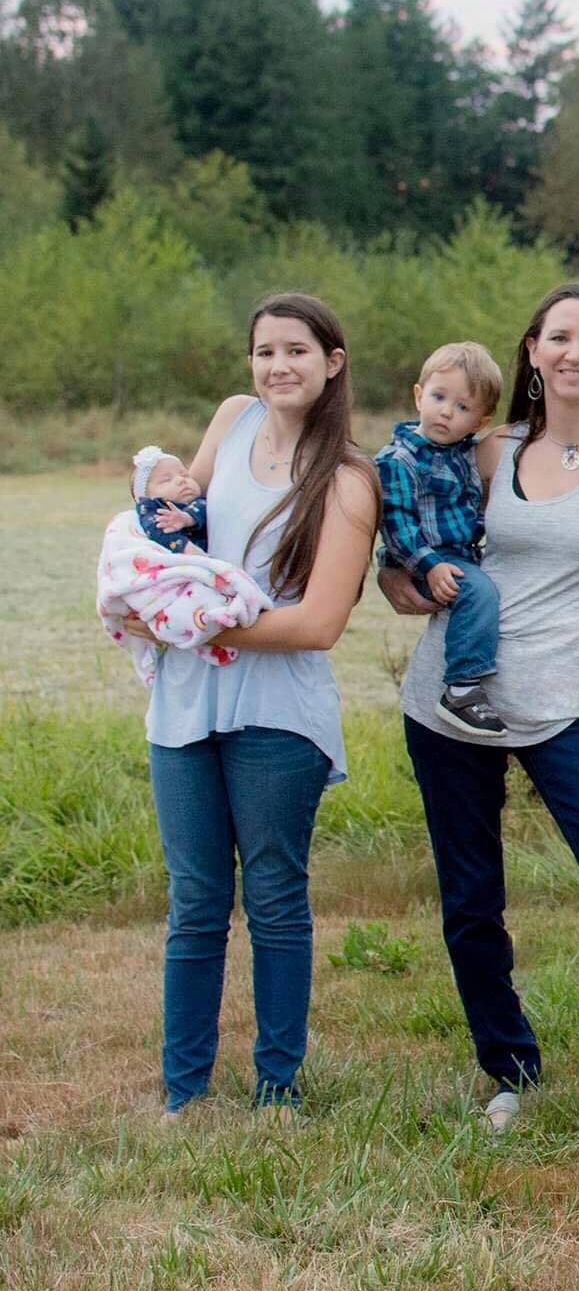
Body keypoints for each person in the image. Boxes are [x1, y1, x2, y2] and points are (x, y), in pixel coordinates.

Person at [381, 282, 579, 1147]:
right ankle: (509, 1070)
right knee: (471, 902)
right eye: (559, 337)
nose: (574, 352)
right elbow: (412, 527)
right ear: (532, 351)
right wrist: (397, 578)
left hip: (578, 712)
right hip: (454, 705)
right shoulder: (490, 448)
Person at [139, 294, 379, 1118]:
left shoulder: (347, 478)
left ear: (332, 363)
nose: (279, 366)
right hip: (187, 702)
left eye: (297, 351)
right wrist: (144, 583)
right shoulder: (233, 419)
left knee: (274, 898)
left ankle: (278, 1087)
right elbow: (179, 532)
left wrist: (196, 624)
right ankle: (184, 1092)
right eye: (265, 351)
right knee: (195, 901)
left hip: (278, 712)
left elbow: (319, 623)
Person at [375, 341, 508, 737]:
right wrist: (430, 566)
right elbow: (397, 526)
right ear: (419, 396)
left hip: (458, 554)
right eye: (438, 397)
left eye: (462, 407)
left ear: (480, 421)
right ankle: (462, 688)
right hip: (422, 560)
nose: (446, 412)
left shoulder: (465, 454)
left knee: (486, 587)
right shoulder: (399, 460)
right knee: (479, 592)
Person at [99, 446, 273, 687]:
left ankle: (219, 616)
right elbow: (158, 532)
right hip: (177, 566)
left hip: (201, 565)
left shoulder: (197, 504)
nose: (181, 480)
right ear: (145, 496)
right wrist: (192, 555)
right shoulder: (152, 509)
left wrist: (187, 519)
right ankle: (198, 623)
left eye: (184, 474)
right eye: (166, 480)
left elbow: (202, 511)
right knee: (183, 600)